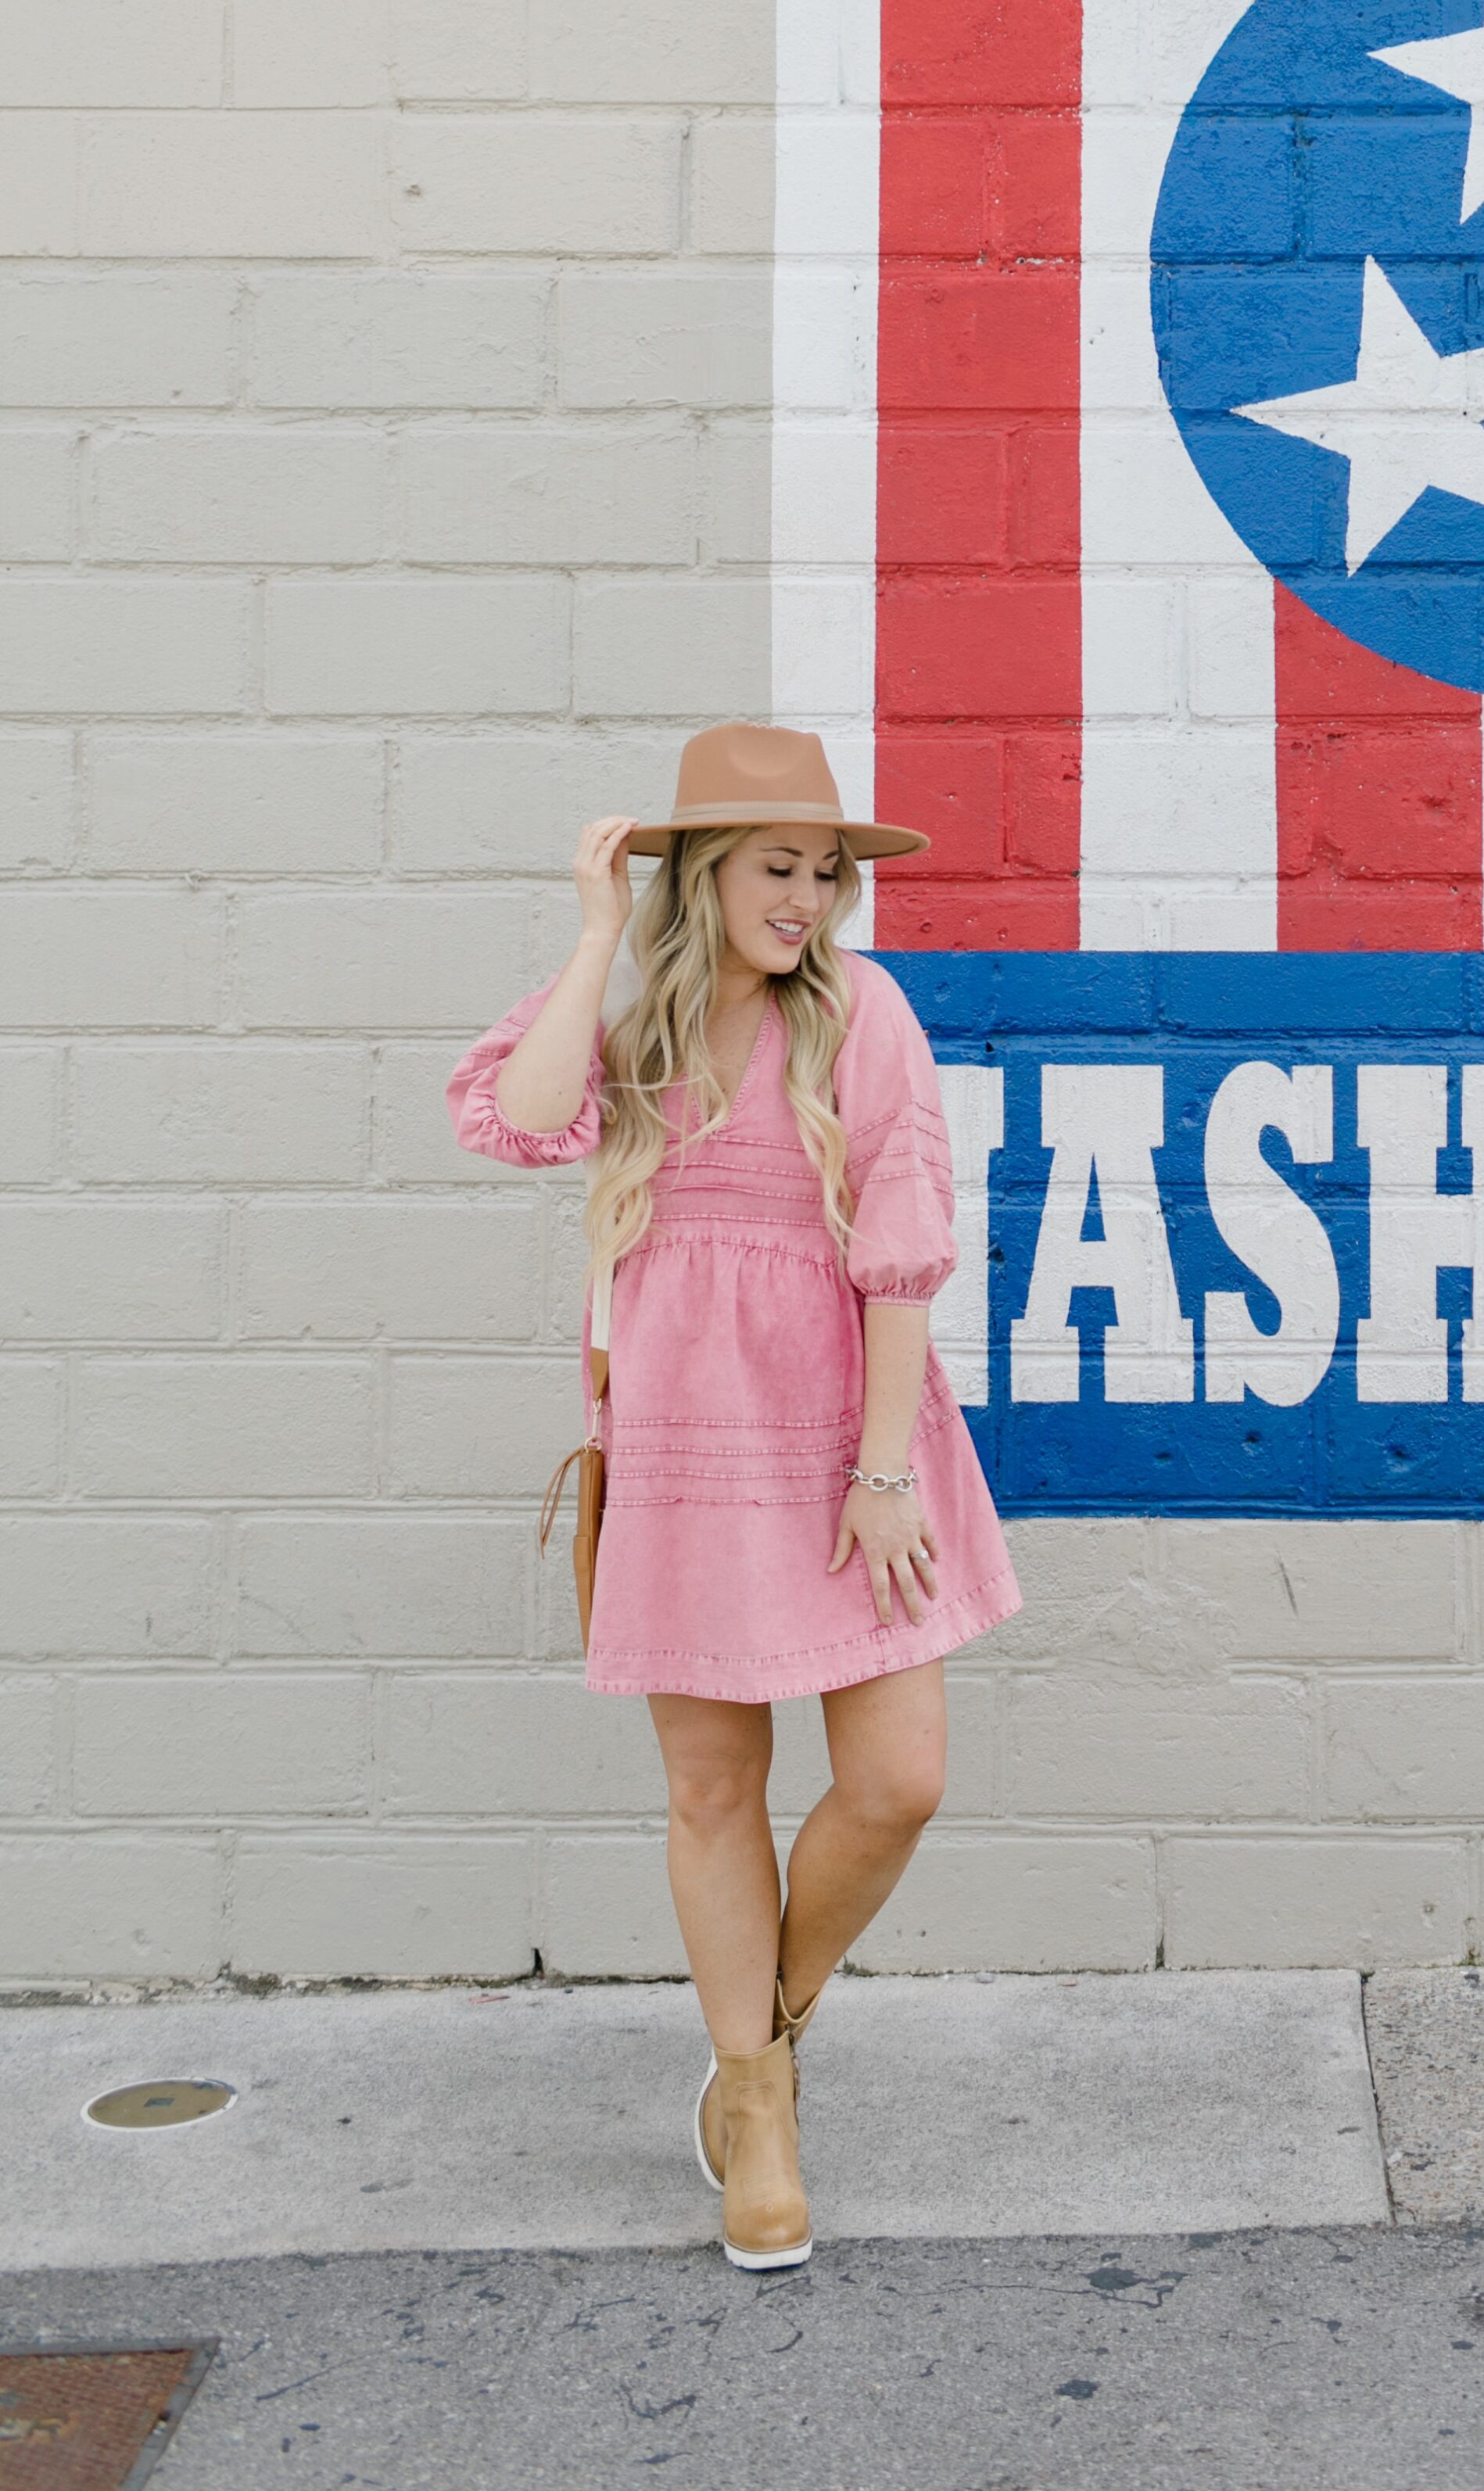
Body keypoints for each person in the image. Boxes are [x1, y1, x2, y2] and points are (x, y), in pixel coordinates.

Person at [446, 724, 1019, 2274]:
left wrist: (886, 1468)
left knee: (897, 1778)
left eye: (826, 872)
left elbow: (902, 1243)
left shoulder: (864, 1013)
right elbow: (517, 1118)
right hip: (687, 1452)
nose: (812, 897)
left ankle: (764, 2019)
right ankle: (756, 2111)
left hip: (853, 1442)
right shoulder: (629, 1015)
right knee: (713, 1789)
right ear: (705, 872)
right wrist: (589, 932)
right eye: (780, 867)